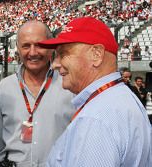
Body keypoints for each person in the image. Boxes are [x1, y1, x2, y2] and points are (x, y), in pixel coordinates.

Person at [39, 17, 152, 166]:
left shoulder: (96, 118)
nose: (54, 64)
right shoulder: (119, 98)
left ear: (97, 55)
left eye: (63, 54)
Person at [0, 21, 75, 167]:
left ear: (51, 48)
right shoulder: (5, 88)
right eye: (26, 46)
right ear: (18, 49)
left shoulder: (70, 86)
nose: (32, 52)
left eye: (39, 45)